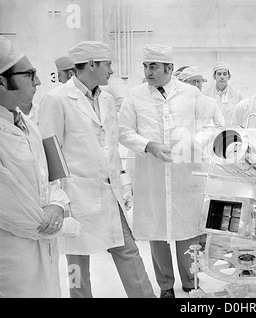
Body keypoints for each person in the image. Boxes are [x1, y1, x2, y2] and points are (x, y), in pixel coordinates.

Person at [38, 41, 156, 298]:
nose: (112, 71)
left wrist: (122, 183)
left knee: (129, 252)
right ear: (91, 65)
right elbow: (49, 154)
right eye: (108, 64)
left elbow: (111, 147)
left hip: (108, 192)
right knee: (76, 265)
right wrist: (57, 200)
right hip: (76, 197)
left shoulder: (107, 99)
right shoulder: (56, 100)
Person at [118, 44, 207, 298]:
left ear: (169, 68)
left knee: (187, 232)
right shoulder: (135, 96)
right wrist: (148, 145)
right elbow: (124, 131)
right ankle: (166, 287)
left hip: (184, 175)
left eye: (153, 66)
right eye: (145, 66)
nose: (148, 71)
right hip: (152, 175)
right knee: (157, 234)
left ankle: (191, 283)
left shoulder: (191, 94)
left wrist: (190, 142)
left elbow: (210, 126)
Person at [0, 35, 70, 297]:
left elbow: (51, 177)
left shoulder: (27, 122)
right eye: (30, 75)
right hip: (12, 253)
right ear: (2, 81)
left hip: (44, 249)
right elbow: (8, 203)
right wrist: (54, 224)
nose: (38, 81)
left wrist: (57, 204)